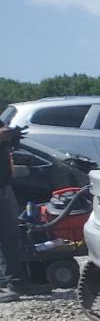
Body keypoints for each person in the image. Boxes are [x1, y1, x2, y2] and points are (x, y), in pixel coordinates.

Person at [0, 124, 27, 303]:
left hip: (4, 185)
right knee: (7, 235)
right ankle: (10, 284)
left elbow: (6, 135)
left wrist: (13, 135)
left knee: (10, 236)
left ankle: (15, 283)